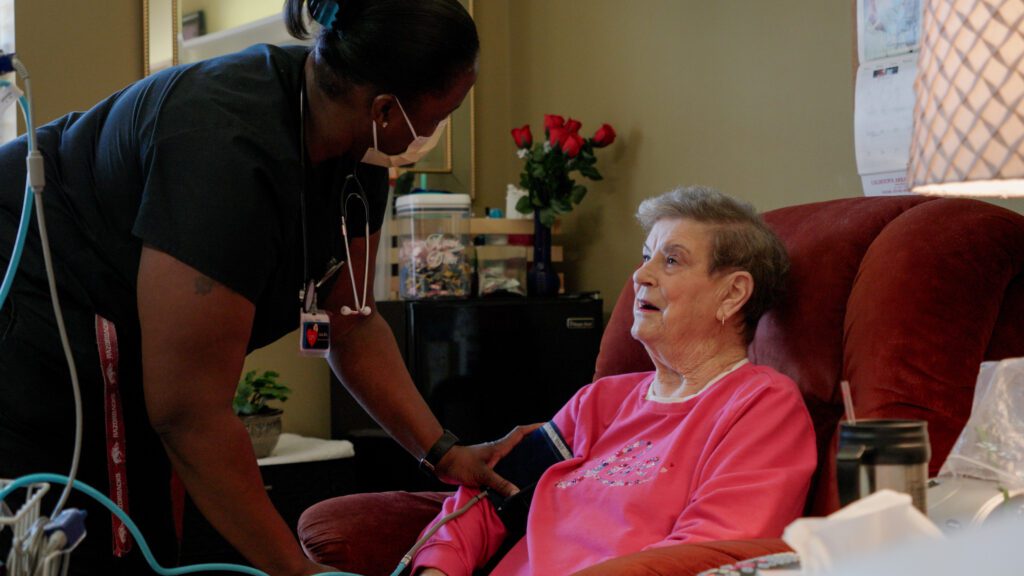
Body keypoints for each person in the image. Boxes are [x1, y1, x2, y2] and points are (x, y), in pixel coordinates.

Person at [0, 1, 527, 575]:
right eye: (443, 110)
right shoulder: (224, 151)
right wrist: (295, 569)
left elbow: (351, 321)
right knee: (79, 539)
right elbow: (188, 412)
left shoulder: (362, 148)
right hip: (39, 292)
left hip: (117, 319)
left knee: (143, 523)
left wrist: (443, 451)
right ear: (383, 107)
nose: (438, 127)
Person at [410, 186, 817, 576]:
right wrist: (436, 570)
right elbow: (486, 500)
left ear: (732, 294)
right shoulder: (600, 402)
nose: (641, 274)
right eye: (645, 256)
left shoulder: (761, 407)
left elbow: (702, 558)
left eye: (671, 260)